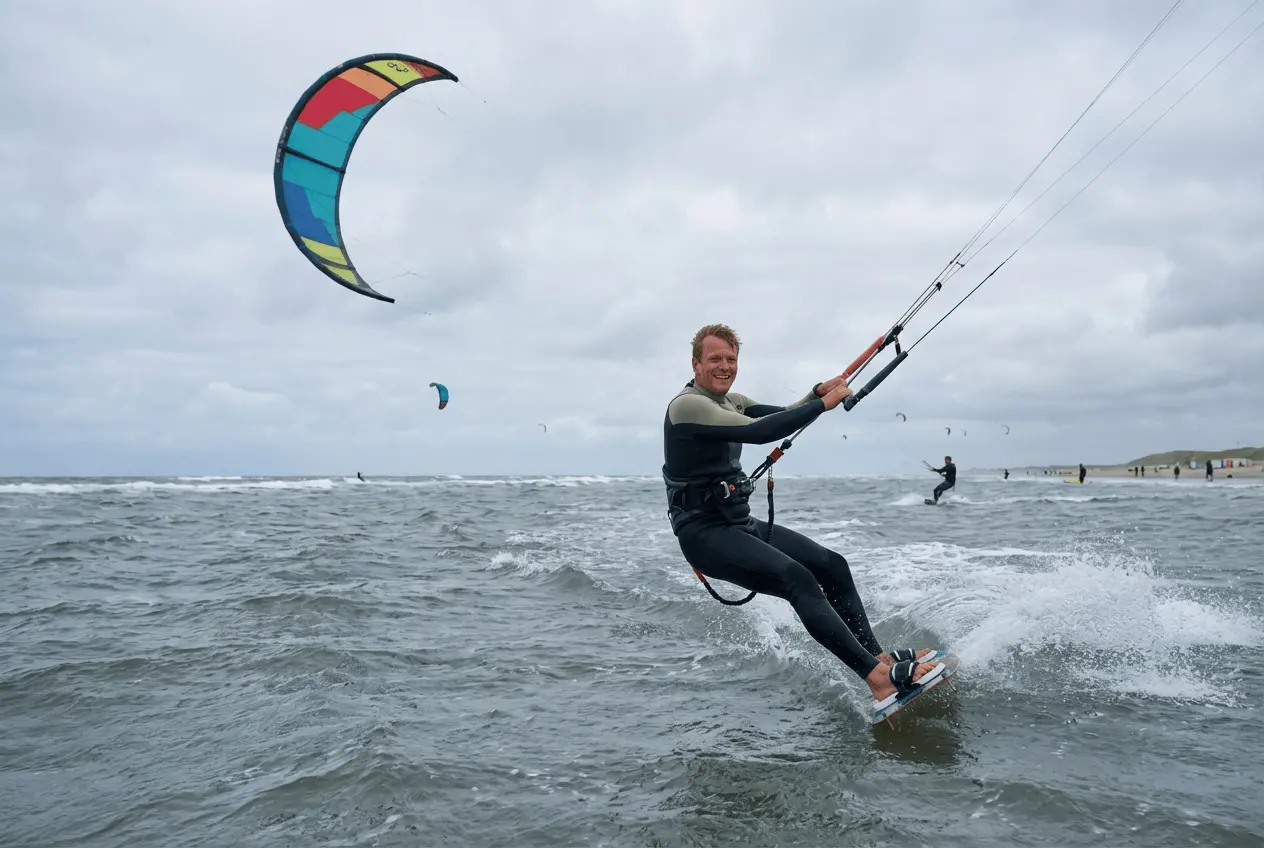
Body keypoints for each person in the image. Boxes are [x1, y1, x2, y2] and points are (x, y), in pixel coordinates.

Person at [662, 324, 947, 715]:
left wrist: (815, 394)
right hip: (704, 534)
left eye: (731, 359)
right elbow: (763, 432)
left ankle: (877, 657)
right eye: (715, 359)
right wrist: (824, 405)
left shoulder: (732, 401)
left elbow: (784, 415)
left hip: (738, 524)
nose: (724, 366)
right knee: (798, 579)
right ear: (696, 363)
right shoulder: (687, 406)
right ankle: (877, 680)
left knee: (832, 566)